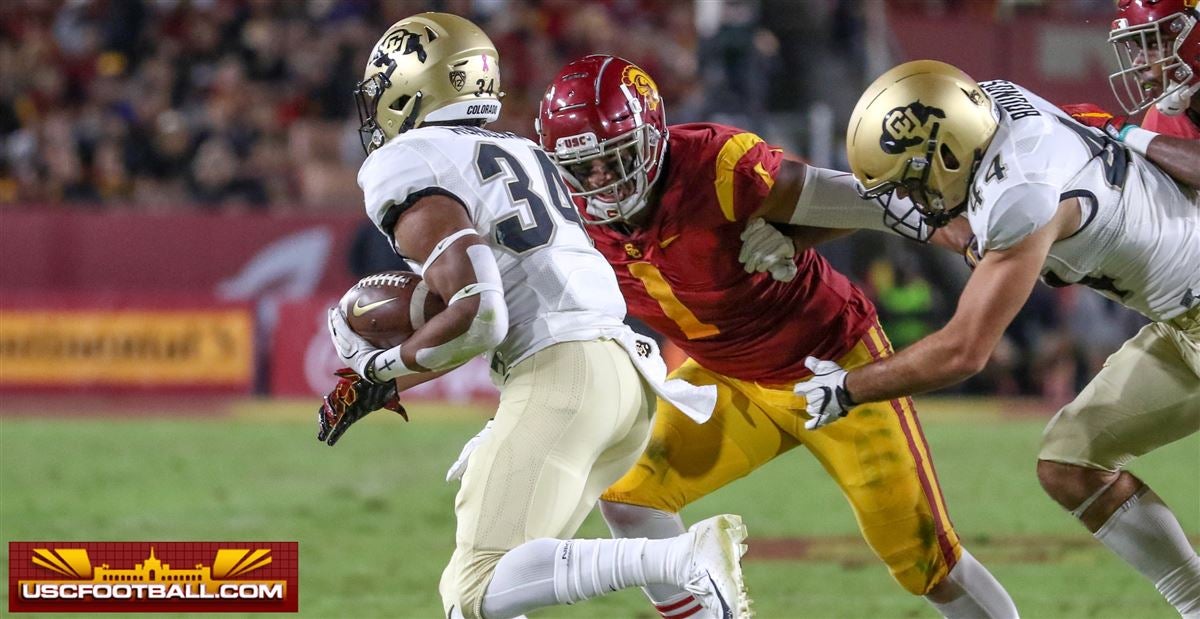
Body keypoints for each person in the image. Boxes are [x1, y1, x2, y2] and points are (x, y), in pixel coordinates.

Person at [533, 54, 1018, 619]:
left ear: (651, 140)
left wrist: (964, 238)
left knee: (925, 561)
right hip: (725, 377)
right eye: (583, 167)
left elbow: (869, 199)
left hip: (835, 369)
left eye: (613, 159)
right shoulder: (560, 212)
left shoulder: (718, 167)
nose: (601, 182)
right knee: (630, 501)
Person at [317, 14, 752, 619]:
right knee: (507, 586)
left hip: (564, 375)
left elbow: (480, 311)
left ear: (414, 88)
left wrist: (383, 367)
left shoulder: (408, 160)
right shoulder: (521, 148)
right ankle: (701, 599)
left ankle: (682, 559)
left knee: (474, 590)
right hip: (622, 377)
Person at [794, 59, 1200, 617]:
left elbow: (964, 350)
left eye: (915, 180)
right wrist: (789, 230)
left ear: (951, 154)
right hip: (1181, 323)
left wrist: (849, 388)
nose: (914, 196)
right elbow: (962, 228)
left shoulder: (1021, 193)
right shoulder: (991, 107)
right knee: (1070, 462)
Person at [1075, 0, 1200, 188]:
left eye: (1152, 45)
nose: (1137, 63)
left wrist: (1121, 131)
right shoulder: (1164, 119)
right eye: (1139, 47)